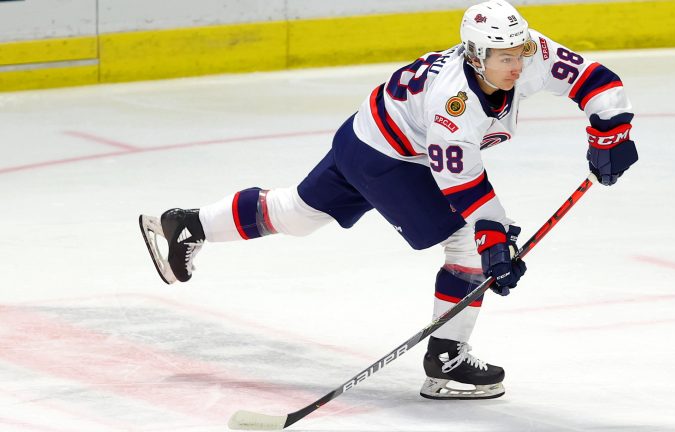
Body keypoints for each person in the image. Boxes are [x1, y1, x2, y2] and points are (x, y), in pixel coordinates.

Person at [139, 0, 637, 400]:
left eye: (520, 53)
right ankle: (447, 360)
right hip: (391, 158)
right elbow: (460, 181)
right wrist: (493, 240)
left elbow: (595, 80)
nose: (518, 64)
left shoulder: (523, 52)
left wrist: (610, 131)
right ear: (474, 55)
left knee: (297, 213)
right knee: (469, 243)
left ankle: (188, 223)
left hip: (364, 133)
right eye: (505, 58)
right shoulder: (454, 105)